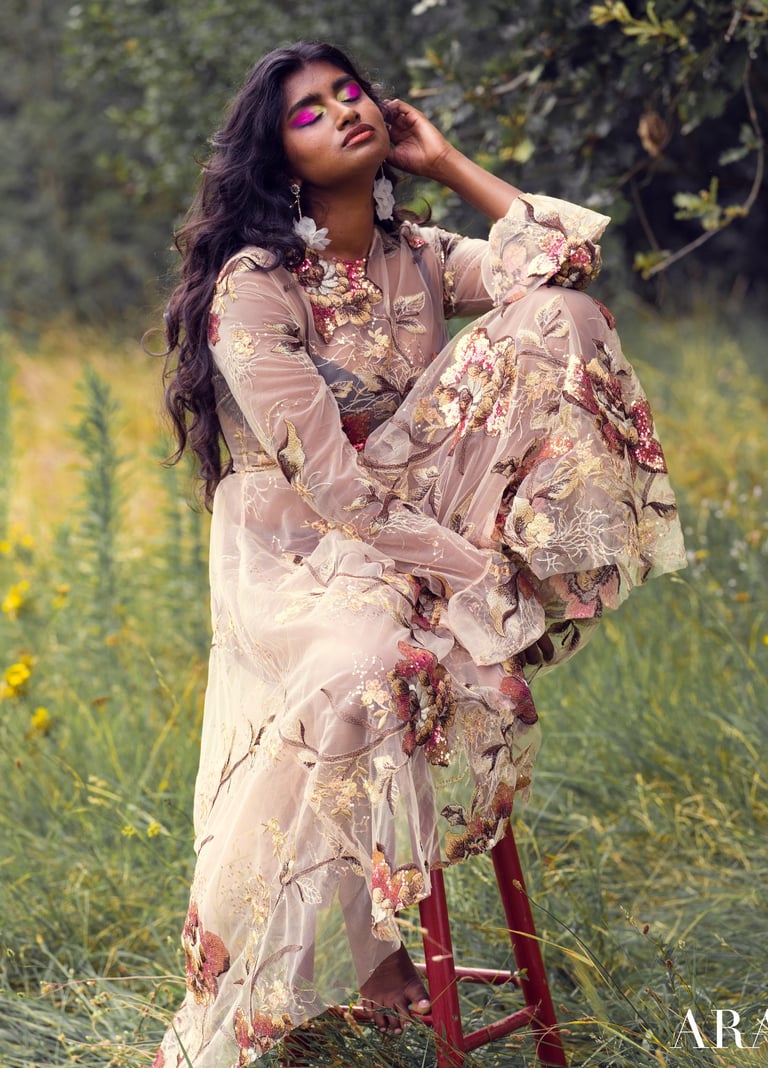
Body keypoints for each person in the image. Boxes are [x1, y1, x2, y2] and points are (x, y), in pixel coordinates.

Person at [153, 40, 686, 1067]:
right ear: (278, 155)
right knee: (366, 664)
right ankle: (370, 942)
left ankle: (539, 568)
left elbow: (566, 262)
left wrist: (445, 163)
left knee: (558, 314)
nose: (343, 112)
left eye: (349, 92)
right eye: (309, 111)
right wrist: (471, 573)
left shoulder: (417, 254)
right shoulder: (253, 287)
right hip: (297, 550)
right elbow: (333, 489)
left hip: (415, 513)